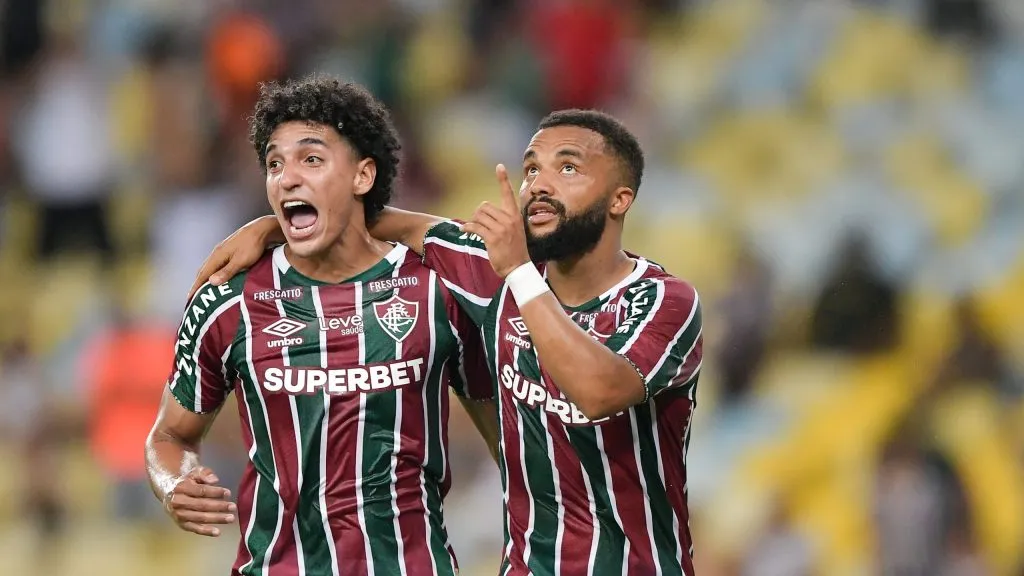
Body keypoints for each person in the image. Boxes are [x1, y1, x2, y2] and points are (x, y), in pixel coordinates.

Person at [196, 109, 703, 575]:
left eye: (567, 168)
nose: (540, 185)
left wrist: (519, 273)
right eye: (531, 170)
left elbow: (598, 392)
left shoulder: (664, 301)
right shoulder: (494, 271)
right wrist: (272, 228)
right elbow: (379, 220)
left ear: (621, 198)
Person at [147, 76, 498, 576]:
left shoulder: (436, 291)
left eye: (311, 159)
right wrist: (174, 483)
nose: (286, 177)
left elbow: (505, 441)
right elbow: (169, 437)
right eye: (274, 163)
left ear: (362, 175)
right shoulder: (227, 300)